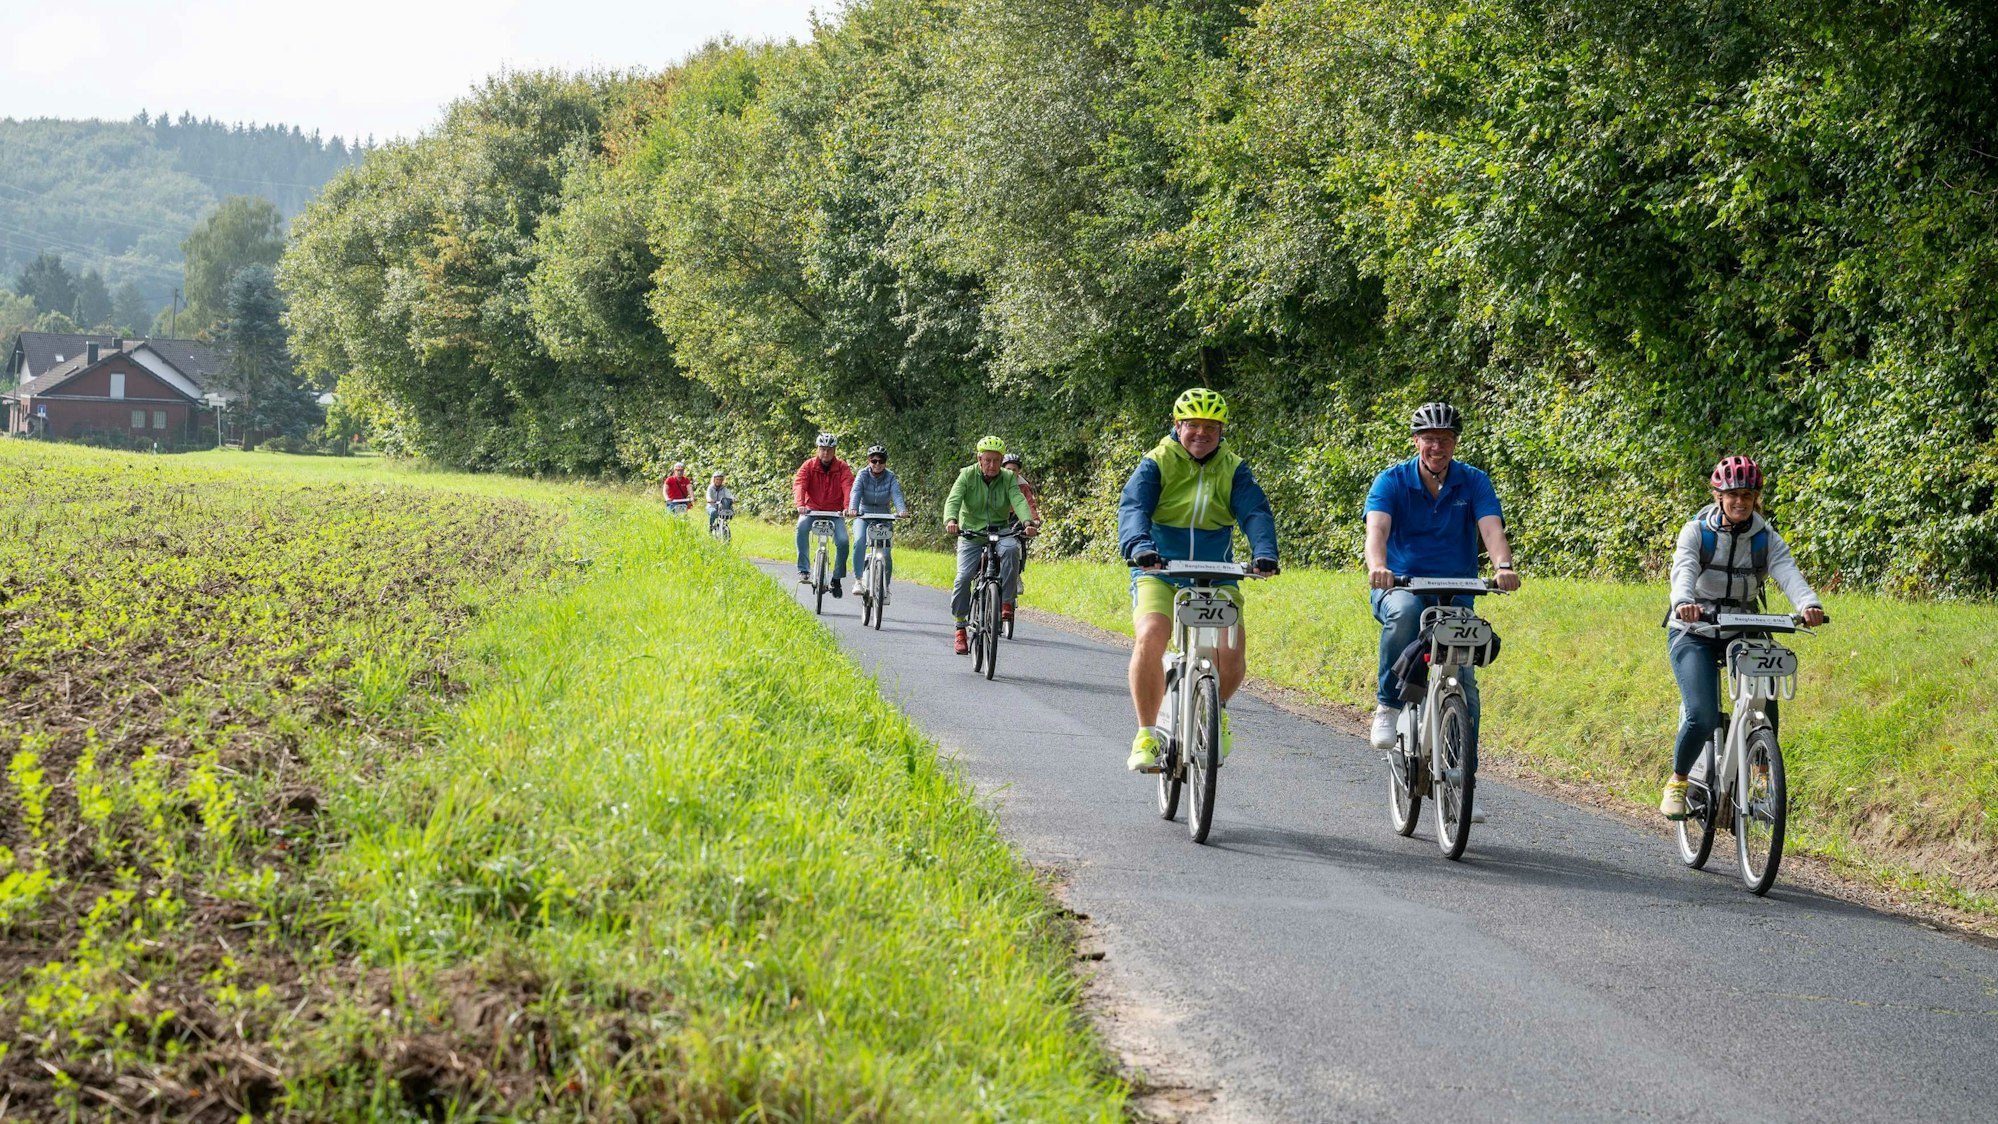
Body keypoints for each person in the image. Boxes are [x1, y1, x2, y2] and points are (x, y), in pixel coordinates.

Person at [1117, 388, 1279, 772]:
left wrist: (1264, 552)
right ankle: (1145, 735)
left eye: (1211, 427)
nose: (1201, 433)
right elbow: (1134, 507)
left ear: (1222, 431)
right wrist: (1140, 547)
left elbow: (1254, 511)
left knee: (1231, 649)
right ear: (1178, 426)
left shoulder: (1234, 467)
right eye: (1193, 425)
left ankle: (1216, 709)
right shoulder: (1156, 462)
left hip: (1215, 573)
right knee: (1151, 634)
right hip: (1160, 569)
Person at [1658, 455, 1825, 819]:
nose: (1739, 502)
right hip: (1695, 628)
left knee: (1765, 703)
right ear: (1718, 497)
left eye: (1747, 496)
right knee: (1701, 715)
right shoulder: (1696, 532)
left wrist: (1809, 604)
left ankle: (1761, 781)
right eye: (1732, 495)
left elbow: (1788, 573)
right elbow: (1683, 569)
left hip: (1744, 626)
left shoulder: (1766, 539)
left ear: (1756, 499)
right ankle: (1678, 780)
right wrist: (1684, 602)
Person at [1364, 402, 1521, 754]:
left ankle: (1462, 783)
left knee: (1464, 684)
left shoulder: (1474, 481)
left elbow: (1492, 529)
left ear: (1455, 442)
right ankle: (1388, 705)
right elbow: (1377, 528)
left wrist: (1503, 567)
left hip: (1456, 591)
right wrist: (1378, 566)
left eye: (1446, 439)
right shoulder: (1391, 480)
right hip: (1401, 585)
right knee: (1404, 613)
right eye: (1430, 439)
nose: (1438, 447)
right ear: (1416, 441)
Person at [943, 436, 1037, 654]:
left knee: (1013, 549)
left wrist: (1027, 522)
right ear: (979, 459)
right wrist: (951, 520)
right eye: (988, 460)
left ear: (1002, 459)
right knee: (963, 577)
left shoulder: (1007, 478)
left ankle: (1006, 602)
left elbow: (1018, 499)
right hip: (972, 533)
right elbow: (954, 499)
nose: (992, 465)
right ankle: (960, 627)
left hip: (1000, 530)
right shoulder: (967, 475)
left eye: (996, 460)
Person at [793, 433, 855, 595]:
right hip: (812, 509)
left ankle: (836, 578)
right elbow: (799, 484)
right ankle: (804, 569)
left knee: (843, 541)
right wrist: (800, 504)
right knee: (801, 527)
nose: (825, 453)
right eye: (822, 449)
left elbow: (848, 486)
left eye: (829, 450)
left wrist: (848, 507)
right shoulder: (809, 465)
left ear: (834, 450)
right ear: (817, 449)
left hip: (835, 511)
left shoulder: (842, 467)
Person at [846, 444, 911, 597]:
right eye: (873, 460)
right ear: (869, 461)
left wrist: (901, 510)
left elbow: (896, 494)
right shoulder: (862, 475)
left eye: (880, 461)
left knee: (886, 553)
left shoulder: (890, 476)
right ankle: (859, 580)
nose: (877, 464)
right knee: (859, 541)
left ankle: (886, 587)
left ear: (885, 462)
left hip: (884, 516)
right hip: (864, 514)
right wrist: (853, 509)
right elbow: (855, 492)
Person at [1001, 451, 1041, 616]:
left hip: (1017, 520)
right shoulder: (996, 480)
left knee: (1016, 545)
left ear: (1019, 472)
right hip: (998, 520)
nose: (1011, 472)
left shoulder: (1023, 485)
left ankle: (1015, 575)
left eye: (1015, 470)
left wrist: (1034, 521)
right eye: (1008, 469)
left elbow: (1029, 505)